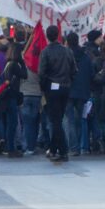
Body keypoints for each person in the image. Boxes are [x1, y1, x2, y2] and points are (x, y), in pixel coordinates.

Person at [38, 25, 75, 163]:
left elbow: (41, 73)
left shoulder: (46, 52)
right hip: (65, 87)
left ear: (48, 36)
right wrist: (68, 81)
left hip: (52, 88)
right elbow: (73, 69)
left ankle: (63, 150)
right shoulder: (67, 51)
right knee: (57, 119)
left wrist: (44, 87)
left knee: (56, 120)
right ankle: (54, 149)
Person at [0, 42, 28, 157]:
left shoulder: (8, 63)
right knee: (13, 123)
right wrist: (23, 62)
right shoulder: (14, 64)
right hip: (11, 96)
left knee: (10, 123)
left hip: (7, 96)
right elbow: (24, 75)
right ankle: (11, 148)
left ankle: (9, 146)